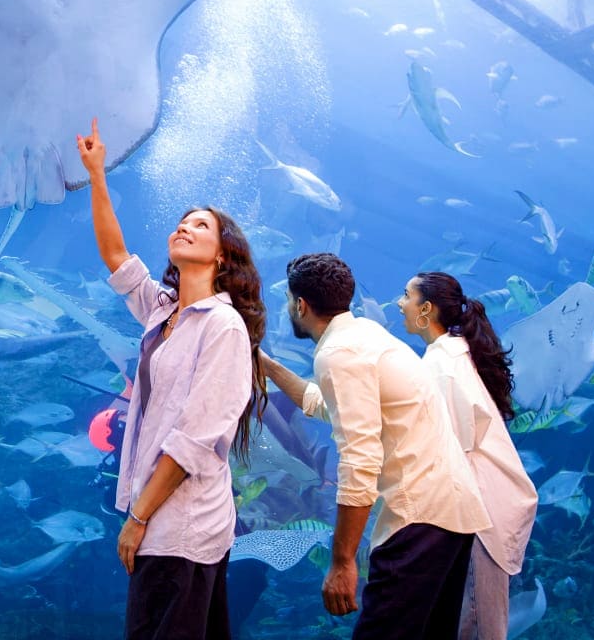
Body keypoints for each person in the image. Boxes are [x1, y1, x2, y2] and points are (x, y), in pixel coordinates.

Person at [76, 118, 267, 640]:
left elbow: (195, 440)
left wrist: (137, 518)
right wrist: (96, 174)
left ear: (222, 254)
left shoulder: (223, 326)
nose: (184, 228)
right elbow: (117, 257)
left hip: (182, 527)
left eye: (200, 226)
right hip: (162, 522)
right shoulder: (164, 312)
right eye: (181, 223)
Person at [258, 252, 491, 640]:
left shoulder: (339, 353)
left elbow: (359, 459)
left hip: (419, 519)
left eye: (287, 301)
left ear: (300, 305)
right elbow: (325, 405)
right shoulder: (364, 335)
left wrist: (342, 560)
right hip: (449, 515)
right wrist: (267, 365)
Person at [398, 272, 537, 640]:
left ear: (426, 309)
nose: (399, 303)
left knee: (475, 628)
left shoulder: (443, 366)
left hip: (476, 518)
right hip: (479, 512)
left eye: (406, 296)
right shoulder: (453, 356)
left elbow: (451, 450)